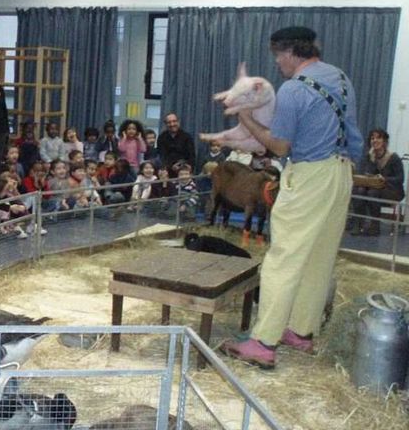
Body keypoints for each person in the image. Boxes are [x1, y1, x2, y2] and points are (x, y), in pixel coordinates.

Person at [220, 26, 364, 370]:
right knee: (319, 257)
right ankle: (301, 332)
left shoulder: (295, 89)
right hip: (341, 173)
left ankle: (263, 341)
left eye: (277, 57)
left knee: (284, 257)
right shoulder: (339, 76)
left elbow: (280, 145)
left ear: (288, 53)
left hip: (310, 174)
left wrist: (246, 117)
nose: (277, 64)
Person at [350, 128, 404, 236]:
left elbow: (400, 178)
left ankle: (375, 225)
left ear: (384, 141)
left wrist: (385, 179)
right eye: (372, 138)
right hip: (374, 188)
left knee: (373, 192)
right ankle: (358, 223)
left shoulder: (394, 158)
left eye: (378, 137)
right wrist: (371, 160)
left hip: (391, 190)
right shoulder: (369, 156)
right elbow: (366, 174)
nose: (375, 140)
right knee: (359, 190)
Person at [157, 113, 196, 177]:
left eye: (174, 121)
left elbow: (191, 156)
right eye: (169, 122)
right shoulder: (162, 137)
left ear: (178, 122)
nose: (172, 124)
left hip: (184, 170)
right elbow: (162, 155)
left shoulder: (187, 137)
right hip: (168, 170)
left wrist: (186, 166)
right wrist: (171, 166)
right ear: (165, 124)